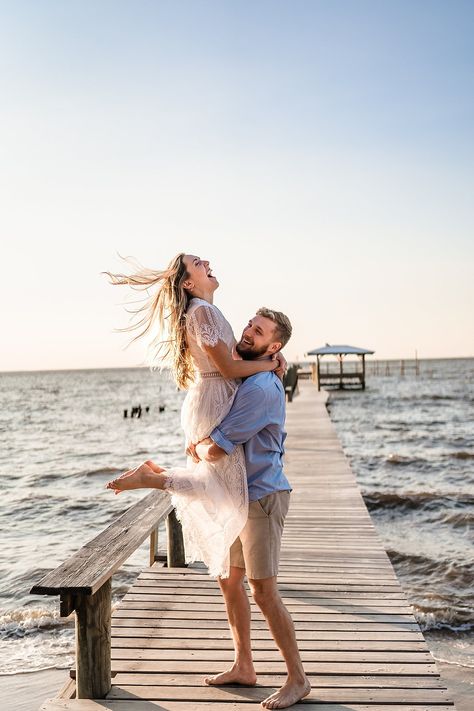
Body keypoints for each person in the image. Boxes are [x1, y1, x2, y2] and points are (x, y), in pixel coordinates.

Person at [108, 307, 311, 709]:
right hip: (234, 494)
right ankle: (244, 665)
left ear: (275, 346)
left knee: (264, 591)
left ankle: (297, 678)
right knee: (228, 579)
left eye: (260, 331)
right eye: (250, 325)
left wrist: (198, 443)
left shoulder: (260, 389)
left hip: (261, 497)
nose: (249, 332)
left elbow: (216, 447)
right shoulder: (250, 373)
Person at [104, 253, 284, 577]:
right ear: (189, 282)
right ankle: (153, 479)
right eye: (198, 263)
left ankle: (154, 478)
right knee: (218, 485)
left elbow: (232, 358)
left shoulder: (204, 311)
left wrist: (273, 354)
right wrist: (270, 364)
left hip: (212, 395)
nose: (207, 262)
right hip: (213, 397)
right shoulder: (202, 311)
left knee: (219, 485)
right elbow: (229, 368)